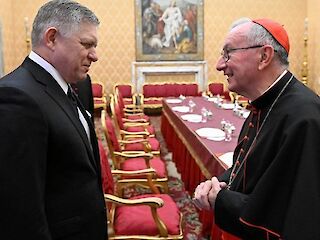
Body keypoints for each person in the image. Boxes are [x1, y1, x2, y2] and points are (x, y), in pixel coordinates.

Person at [193, 18, 320, 240]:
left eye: (228, 53)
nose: (219, 65)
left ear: (264, 56)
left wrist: (220, 198)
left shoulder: (305, 118)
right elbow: (248, 169)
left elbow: (289, 215)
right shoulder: (263, 104)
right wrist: (217, 183)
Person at [0, 1, 107, 239]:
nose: (95, 55)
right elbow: (21, 214)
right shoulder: (17, 97)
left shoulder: (67, 86)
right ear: (51, 38)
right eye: (87, 44)